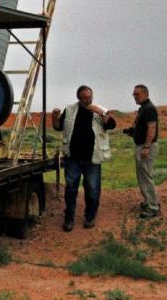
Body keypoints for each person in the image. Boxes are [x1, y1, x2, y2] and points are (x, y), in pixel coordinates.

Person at [52, 85, 115, 231]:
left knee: (92, 189)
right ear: (78, 98)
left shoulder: (100, 110)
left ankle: (90, 216)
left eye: (90, 97)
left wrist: (101, 113)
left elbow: (111, 125)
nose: (88, 100)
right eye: (85, 98)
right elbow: (58, 127)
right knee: (70, 189)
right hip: (73, 158)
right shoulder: (70, 109)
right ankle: (69, 218)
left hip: (92, 158)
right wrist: (54, 117)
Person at [125, 84, 161, 218]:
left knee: (145, 176)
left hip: (146, 147)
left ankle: (153, 207)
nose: (135, 96)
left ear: (146, 94)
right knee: (143, 176)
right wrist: (133, 132)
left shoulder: (149, 109)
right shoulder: (143, 108)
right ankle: (149, 201)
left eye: (137, 94)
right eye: (134, 94)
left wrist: (146, 147)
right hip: (143, 145)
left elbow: (152, 128)